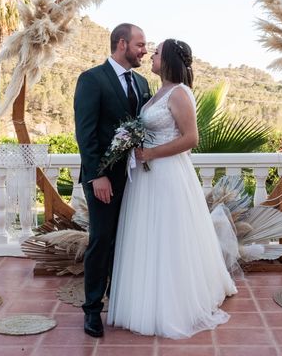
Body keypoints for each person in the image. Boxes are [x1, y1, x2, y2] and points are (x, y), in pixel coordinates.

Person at [107, 38, 237, 339]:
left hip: (167, 175)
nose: (151, 55)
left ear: (167, 61)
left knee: (168, 236)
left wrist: (151, 153)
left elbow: (191, 139)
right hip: (145, 176)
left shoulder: (179, 93)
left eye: (156, 52)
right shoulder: (155, 93)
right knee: (147, 235)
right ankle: (144, 298)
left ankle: (172, 303)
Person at [74, 23, 151, 338]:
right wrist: (98, 176)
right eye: (140, 44)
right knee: (101, 240)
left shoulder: (143, 82)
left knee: (129, 240)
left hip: (138, 179)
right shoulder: (92, 79)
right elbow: (86, 133)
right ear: (122, 44)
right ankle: (92, 310)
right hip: (105, 179)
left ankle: (121, 301)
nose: (144, 50)